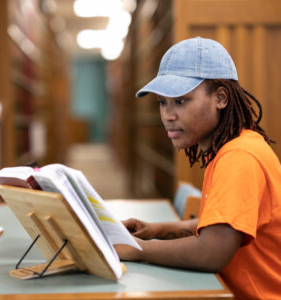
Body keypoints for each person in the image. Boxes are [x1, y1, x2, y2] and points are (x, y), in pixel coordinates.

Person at [115, 37, 281, 299]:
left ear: (221, 98)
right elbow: (222, 227)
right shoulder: (233, 149)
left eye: (181, 101)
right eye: (162, 102)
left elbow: (212, 251)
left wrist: (136, 249)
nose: (168, 115)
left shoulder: (239, 157)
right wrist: (156, 230)